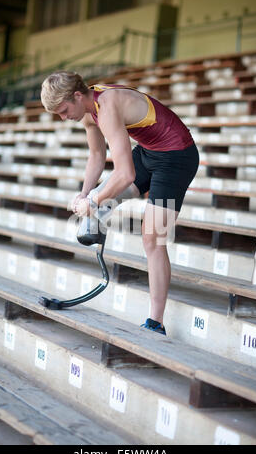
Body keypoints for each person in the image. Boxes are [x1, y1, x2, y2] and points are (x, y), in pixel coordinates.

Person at [41, 71, 199, 335]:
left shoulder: (107, 107)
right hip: (149, 153)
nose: (63, 117)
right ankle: (95, 230)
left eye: (64, 110)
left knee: (152, 238)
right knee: (101, 203)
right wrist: (85, 194)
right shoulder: (88, 110)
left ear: (77, 96)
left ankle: (156, 322)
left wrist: (93, 199)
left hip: (176, 158)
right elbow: (96, 155)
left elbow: (126, 174)